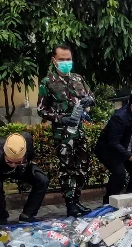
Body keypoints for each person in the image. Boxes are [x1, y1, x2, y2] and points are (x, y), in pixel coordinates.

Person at [37, 43, 94, 218]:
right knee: (67, 169)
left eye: (68, 59)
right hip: (62, 134)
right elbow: (41, 109)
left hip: (80, 131)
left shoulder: (78, 79)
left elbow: (92, 97)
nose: (66, 62)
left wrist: (88, 102)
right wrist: (61, 118)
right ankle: (70, 204)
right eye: (62, 60)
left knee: (83, 167)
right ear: (54, 60)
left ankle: (77, 201)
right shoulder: (47, 82)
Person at [94, 91, 132, 204]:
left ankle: (131, 199)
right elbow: (113, 143)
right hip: (109, 151)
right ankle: (109, 202)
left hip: (127, 149)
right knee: (119, 174)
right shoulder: (119, 117)